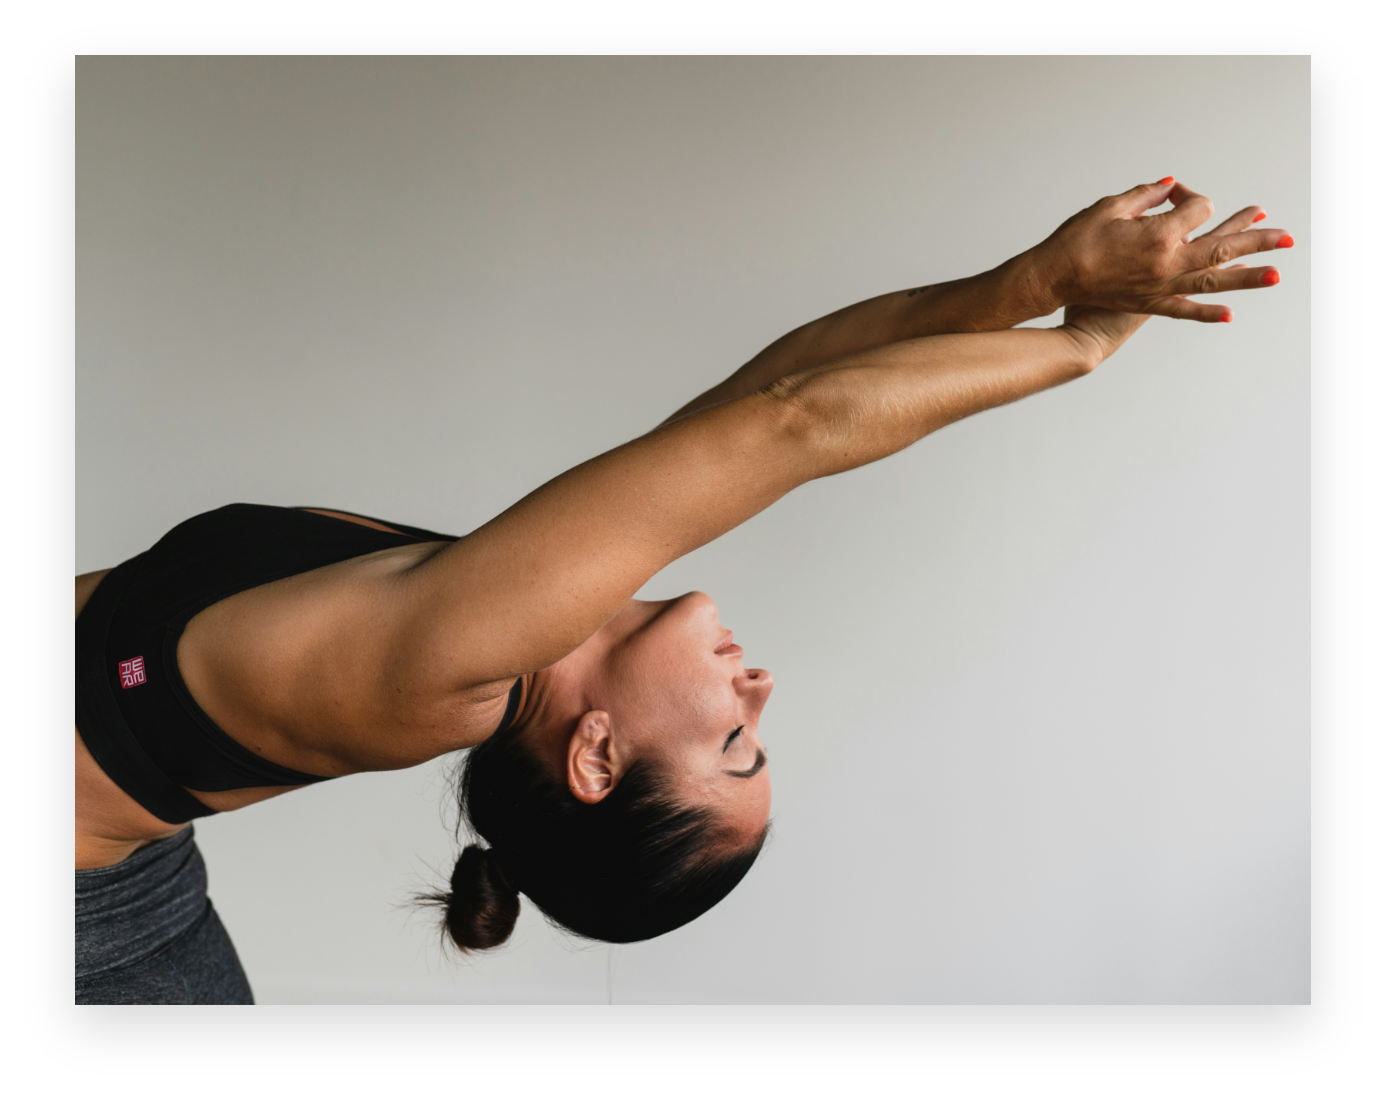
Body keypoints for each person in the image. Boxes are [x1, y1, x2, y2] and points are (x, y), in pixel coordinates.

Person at [75, 179, 1293, 1004]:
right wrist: (1031, 281)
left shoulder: (450, 669)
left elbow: (798, 426)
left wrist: (1079, 348)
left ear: (596, 758)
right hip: (136, 881)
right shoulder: (526, 617)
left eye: (736, 743)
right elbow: (784, 380)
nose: (760, 688)